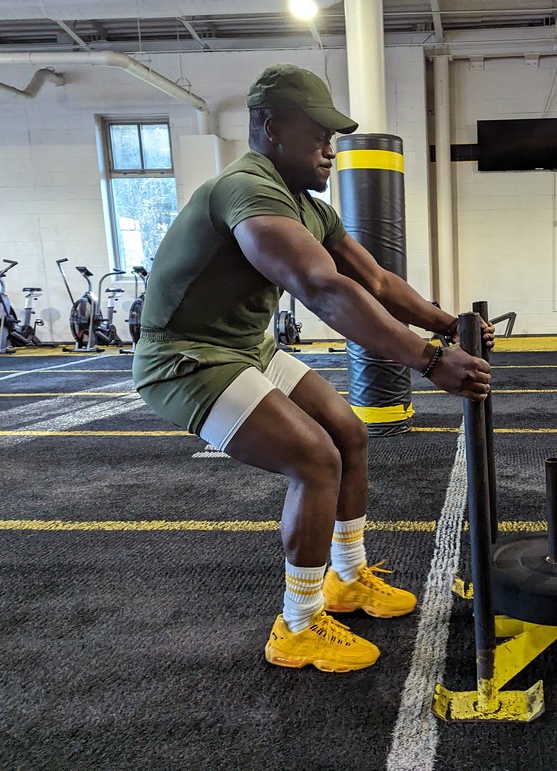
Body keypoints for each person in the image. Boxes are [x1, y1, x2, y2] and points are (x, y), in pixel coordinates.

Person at [132, 63, 493, 674]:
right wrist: (429, 360)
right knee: (314, 458)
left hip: (247, 348)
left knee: (349, 432)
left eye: (335, 136)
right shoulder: (247, 190)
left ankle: (347, 580)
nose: (331, 149)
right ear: (271, 127)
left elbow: (374, 280)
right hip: (185, 359)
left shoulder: (309, 207)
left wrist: (445, 322)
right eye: (319, 134)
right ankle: (297, 624)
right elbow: (320, 287)